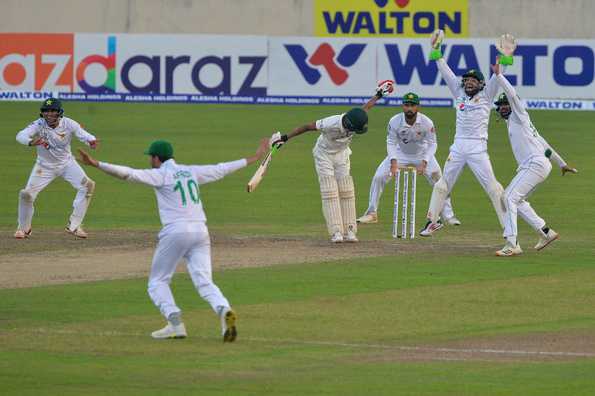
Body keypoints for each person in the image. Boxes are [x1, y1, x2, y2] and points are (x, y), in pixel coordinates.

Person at [77, 138, 270, 340]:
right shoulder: (191, 172)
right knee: (204, 281)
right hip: (200, 231)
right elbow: (221, 169)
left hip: (176, 231)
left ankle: (175, 323)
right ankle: (223, 309)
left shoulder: (161, 175)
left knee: (157, 281)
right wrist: (254, 157)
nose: (149, 161)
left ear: (157, 158)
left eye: (151, 157)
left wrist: (97, 164)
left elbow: (128, 174)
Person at [272, 80, 394, 243]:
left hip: (342, 155)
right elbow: (307, 127)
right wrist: (284, 138)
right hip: (324, 155)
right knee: (330, 191)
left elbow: (366, 108)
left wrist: (378, 95)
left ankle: (350, 231)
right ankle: (336, 231)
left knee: (347, 190)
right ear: (350, 125)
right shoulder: (330, 123)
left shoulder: (354, 118)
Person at [420, 30, 509, 237]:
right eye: (467, 80)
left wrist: (504, 57)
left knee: (494, 189)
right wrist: (436, 51)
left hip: (478, 148)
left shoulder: (487, 94)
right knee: (442, 185)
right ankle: (432, 222)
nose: (469, 82)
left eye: (473, 80)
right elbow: (446, 71)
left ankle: (508, 227)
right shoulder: (458, 93)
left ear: (481, 84)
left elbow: (498, 75)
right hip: (458, 147)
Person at [491, 61, 577, 256]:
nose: (503, 108)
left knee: (508, 197)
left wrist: (498, 76)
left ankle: (512, 244)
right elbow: (545, 146)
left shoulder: (520, 115)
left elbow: (512, 95)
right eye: (501, 106)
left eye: (506, 105)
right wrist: (562, 164)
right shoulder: (522, 125)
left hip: (534, 165)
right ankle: (546, 232)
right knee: (518, 201)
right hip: (539, 164)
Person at [357, 92, 459, 226]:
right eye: (407, 105)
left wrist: (425, 162)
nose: (409, 108)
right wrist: (393, 163)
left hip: (422, 154)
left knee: (440, 181)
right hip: (400, 154)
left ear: (418, 107)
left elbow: (433, 144)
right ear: (402, 106)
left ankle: (448, 215)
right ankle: (371, 213)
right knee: (379, 177)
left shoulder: (426, 122)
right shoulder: (395, 121)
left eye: (412, 105)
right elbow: (391, 142)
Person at [15, 98, 98, 239]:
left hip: (67, 164)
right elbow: (20, 135)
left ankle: (74, 226)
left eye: (53, 111)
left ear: (59, 113)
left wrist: (91, 140)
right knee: (26, 195)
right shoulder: (38, 124)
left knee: (88, 186)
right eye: (46, 111)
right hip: (44, 166)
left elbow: (83, 134)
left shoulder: (69, 123)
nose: (49, 114)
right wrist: (30, 141)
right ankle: (24, 228)